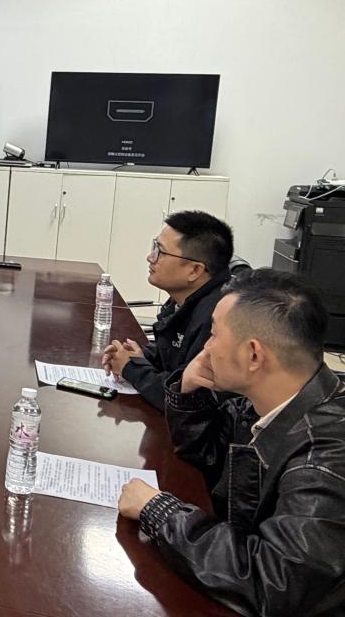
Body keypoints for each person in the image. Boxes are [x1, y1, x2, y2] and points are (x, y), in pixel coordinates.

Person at [117, 268, 345, 617]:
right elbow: (208, 459)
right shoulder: (264, 402)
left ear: (254, 355)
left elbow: (274, 582)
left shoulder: (326, 455)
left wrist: (161, 513)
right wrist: (189, 395)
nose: (206, 348)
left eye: (213, 335)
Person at [103, 211, 234, 409]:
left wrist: (132, 368)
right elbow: (172, 352)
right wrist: (141, 356)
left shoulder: (218, 318)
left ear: (195, 270)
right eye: (154, 247)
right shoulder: (185, 298)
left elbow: (186, 399)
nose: (150, 257)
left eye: (161, 252)